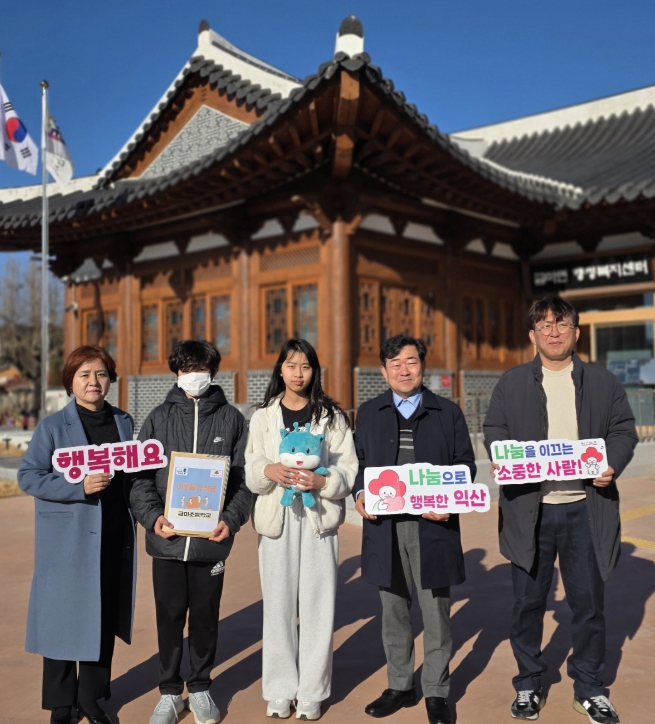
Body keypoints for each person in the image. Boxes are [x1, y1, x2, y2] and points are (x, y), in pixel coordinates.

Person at [483, 297, 638, 724]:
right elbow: (494, 428)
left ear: (576, 332)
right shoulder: (512, 382)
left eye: (562, 324)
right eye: (544, 325)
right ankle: (529, 683)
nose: (553, 332)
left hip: (585, 509)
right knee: (527, 603)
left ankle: (589, 687)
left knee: (588, 605)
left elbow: (623, 430)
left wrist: (612, 464)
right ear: (532, 335)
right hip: (529, 510)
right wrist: (502, 455)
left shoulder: (603, 382)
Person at [353, 335, 476, 724]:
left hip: (432, 527)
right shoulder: (369, 412)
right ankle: (400, 685)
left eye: (411, 362)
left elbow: (465, 464)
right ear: (383, 371)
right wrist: (359, 492)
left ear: (423, 365)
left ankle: (437, 690)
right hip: (385, 527)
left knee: (435, 612)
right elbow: (358, 464)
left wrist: (449, 500)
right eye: (395, 363)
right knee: (393, 610)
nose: (403, 370)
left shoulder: (446, 412)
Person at [130, 340, 252, 724]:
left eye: (200, 369)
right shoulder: (157, 418)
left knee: (205, 617)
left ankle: (199, 687)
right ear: (176, 373)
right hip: (166, 542)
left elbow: (244, 481)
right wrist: (152, 517)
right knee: (168, 617)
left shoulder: (232, 419)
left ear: (212, 372)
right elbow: (139, 478)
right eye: (186, 369)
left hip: (210, 543)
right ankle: (169, 693)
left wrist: (230, 519)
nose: (193, 376)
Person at [18, 346, 136, 724]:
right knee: (61, 619)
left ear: (110, 379)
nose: (93, 382)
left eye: (100, 374)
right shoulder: (52, 426)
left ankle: (91, 698)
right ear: (71, 381)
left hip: (112, 534)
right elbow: (29, 476)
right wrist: (78, 486)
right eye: (84, 374)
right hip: (68, 540)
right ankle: (61, 703)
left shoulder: (124, 422)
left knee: (103, 616)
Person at [245, 339, 358, 721]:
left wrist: (323, 482)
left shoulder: (332, 416)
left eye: (305, 366)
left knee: (318, 607)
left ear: (314, 371)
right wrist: (268, 469)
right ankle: (280, 689)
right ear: (280, 369)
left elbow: (348, 468)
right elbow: (251, 464)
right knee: (277, 608)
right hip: (276, 519)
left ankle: (311, 691)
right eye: (291, 365)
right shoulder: (263, 416)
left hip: (318, 521)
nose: (298, 373)